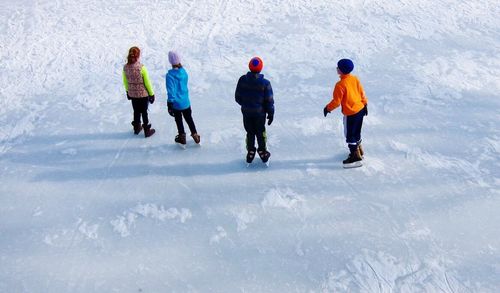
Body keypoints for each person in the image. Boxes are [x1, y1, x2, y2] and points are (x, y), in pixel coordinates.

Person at [323, 58, 368, 168]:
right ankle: (359, 150)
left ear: (341, 70)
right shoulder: (355, 79)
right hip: (360, 109)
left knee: (349, 135)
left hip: (351, 113)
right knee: (356, 131)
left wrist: (327, 108)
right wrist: (365, 104)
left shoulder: (340, 85)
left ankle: (355, 157)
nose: (336, 68)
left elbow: (336, 102)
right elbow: (362, 92)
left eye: (338, 67)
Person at [235, 57, 274, 164]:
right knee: (261, 132)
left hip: (246, 112)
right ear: (261, 68)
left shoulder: (242, 80)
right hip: (260, 114)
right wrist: (270, 113)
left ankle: (251, 151)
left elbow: (237, 97)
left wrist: (246, 104)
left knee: (250, 132)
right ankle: (262, 151)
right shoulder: (265, 83)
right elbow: (269, 101)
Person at [165, 51, 200, 146]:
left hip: (176, 104)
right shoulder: (184, 72)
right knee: (189, 118)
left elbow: (170, 90)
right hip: (185, 101)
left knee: (178, 120)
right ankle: (195, 134)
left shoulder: (169, 76)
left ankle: (182, 136)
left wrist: (170, 103)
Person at [122, 46, 156, 137]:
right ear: (138, 56)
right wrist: (151, 94)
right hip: (143, 94)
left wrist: (127, 91)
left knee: (136, 111)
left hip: (133, 94)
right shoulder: (141, 67)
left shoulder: (125, 68)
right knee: (144, 111)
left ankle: (136, 128)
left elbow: (125, 81)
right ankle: (146, 130)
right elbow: (147, 82)